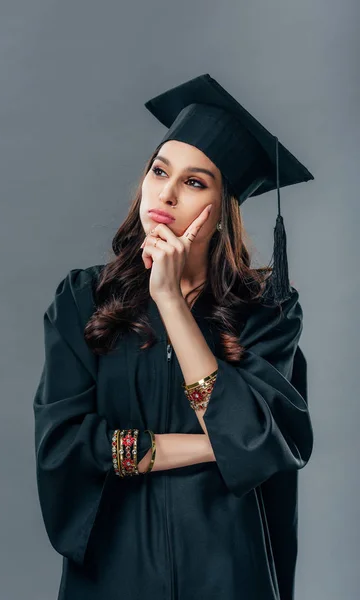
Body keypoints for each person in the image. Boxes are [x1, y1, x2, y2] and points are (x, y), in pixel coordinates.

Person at [33, 73, 314, 600]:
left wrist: (170, 303)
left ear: (222, 210)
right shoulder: (82, 300)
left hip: (226, 570)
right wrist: (218, 447)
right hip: (115, 572)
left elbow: (258, 446)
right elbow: (65, 447)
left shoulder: (267, 313)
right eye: (159, 171)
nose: (165, 193)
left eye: (194, 181)